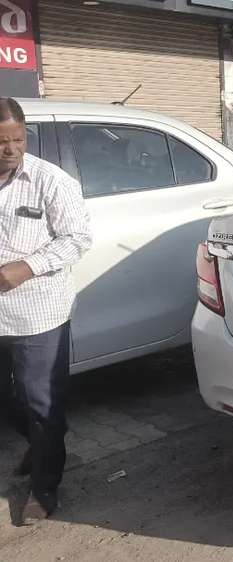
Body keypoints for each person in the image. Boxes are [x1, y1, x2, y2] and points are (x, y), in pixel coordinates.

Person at [0, 97, 92, 523]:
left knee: (42, 402)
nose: (11, 149)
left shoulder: (51, 181)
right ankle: (40, 445)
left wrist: (27, 266)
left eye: (18, 139)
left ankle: (45, 485)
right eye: (1, 141)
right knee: (7, 397)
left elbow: (77, 239)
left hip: (38, 312)